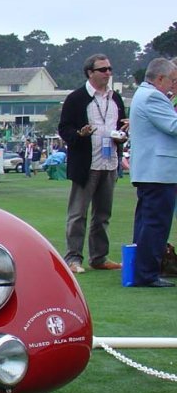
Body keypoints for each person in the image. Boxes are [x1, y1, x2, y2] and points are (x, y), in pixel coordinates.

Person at [58, 54, 128, 274]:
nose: (108, 73)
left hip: (109, 162)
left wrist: (123, 135)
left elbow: (120, 126)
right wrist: (79, 134)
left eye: (109, 69)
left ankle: (99, 256)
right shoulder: (76, 98)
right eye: (103, 69)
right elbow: (64, 128)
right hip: (86, 164)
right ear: (90, 72)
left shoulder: (115, 98)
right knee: (78, 213)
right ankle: (73, 258)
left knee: (103, 214)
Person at [128, 57, 177, 287]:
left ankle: (142, 269)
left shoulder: (144, 94)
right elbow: (173, 126)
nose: (173, 86)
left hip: (151, 171)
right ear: (160, 78)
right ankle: (147, 273)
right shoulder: (153, 97)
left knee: (147, 222)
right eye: (172, 80)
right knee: (156, 223)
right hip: (158, 172)